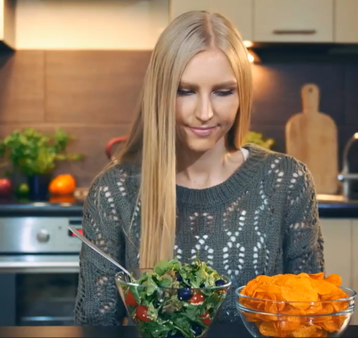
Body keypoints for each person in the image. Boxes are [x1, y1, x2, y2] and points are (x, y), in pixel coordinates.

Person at [74, 10, 325, 326]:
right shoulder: (114, 191)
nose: (205, 112)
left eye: (223, 92)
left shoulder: (286, 180)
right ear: (161, 94)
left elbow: (312, 317)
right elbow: (97, 325)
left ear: (241, 94)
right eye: (185, 91)